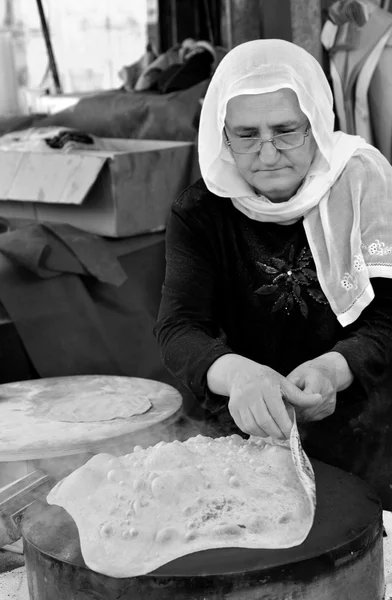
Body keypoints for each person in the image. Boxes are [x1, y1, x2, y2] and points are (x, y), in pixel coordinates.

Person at [154, 39, 392, 506]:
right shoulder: (201, 213)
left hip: (368, 434)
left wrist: (334, 369)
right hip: (249, 440)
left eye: (287, 131)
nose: (267, 155)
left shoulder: (366, 189)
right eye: (245, 135)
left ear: (318, 124)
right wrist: (239, 375)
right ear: (221, 135)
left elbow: (388, 317)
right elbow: (179, 326)